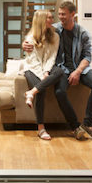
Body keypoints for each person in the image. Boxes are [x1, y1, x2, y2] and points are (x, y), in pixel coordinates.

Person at [23, 1, 92, 141]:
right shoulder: (55, 29)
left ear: (73, 14)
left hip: (80, 69)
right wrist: (24, 44)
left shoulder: (83, 33)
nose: (60, 17)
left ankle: (88, 125)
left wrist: (78, 72)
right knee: (60, 92)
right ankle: (75, 127)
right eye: (59, 14)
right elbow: (37, 31)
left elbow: (87, 57)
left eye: (63, 14)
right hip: (62, 68)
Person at [23, 9, 64, 140]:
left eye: (52, 17)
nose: (52, 20)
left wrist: (47, 71)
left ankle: (31, 93)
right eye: (49, 18)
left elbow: (52, 57)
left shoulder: (55, 36)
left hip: (47, 68)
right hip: (31, 69)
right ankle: (41, 128)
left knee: (60, 71)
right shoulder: (30, 38)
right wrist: (42, 76)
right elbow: (33, 61)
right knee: (42, 91)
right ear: (41, 20)